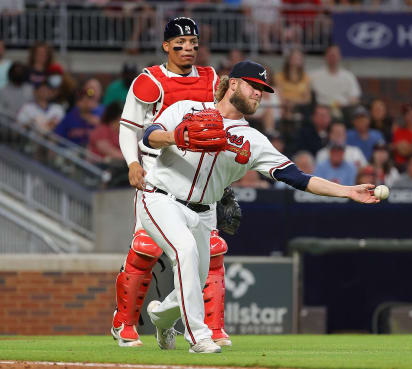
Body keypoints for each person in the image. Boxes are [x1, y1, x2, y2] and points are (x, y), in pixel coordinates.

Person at [142, 60, 378, 353]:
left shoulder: (253, 140)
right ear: (234, 84)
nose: (258, 94)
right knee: (185, 253)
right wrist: (174, 136)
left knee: (194, 281)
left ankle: (160, 318)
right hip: (160, 197)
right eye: (254, 86)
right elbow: (149, 135)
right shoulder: (186, 109)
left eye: (263, 90)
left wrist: (347, 191)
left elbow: (297, 177)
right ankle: (199, 337)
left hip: (204, 213)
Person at [112, 17, 237, 348]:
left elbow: (225, 126)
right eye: (180, 43)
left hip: (199, 174)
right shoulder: (150, 80)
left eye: (193, 43)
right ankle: (123, 323)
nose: (188, 49)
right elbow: (129, 127)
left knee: (208, 254)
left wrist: (223, 177)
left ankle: (210, 326)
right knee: (146, 248)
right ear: (166, 46)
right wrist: (132, 163)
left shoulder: (212, 79)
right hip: (159, 172)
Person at [310, 45, 361, 119]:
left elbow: (354, 98)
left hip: (344, 111)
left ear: (340, 56)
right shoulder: (314, 75)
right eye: (330, 55)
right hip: (322, 111)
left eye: (335, 55)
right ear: (325, 57)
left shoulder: (348, 76)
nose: (333, 58)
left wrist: (346, 106)